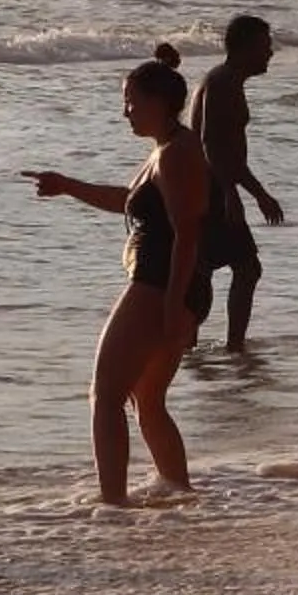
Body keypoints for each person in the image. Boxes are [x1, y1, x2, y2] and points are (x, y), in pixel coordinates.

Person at [26, 45, 212, 506]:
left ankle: (113, 506)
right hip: (169, 287)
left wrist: (172, 306)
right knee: (145, 401)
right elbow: (124, 201)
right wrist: (68, 186)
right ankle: (178, 492)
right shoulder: (166, 150)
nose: (124, 111)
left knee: (105, 395)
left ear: (158, 102)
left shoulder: (176, 154)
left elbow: (188, 233)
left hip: (158, 286)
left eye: (131, 100)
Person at [190, 14, 285, 349]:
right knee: (242, 268)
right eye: (265, 46)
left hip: (212, 185)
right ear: (245, 47)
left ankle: (196, 347)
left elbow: (232, 156)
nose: (270, 53)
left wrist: (259, 194)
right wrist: (230, 193)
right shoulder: (222, 82)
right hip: (209, 188)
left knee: (208, 268)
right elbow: (209, 143)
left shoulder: (227, 80)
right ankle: (228, 347)